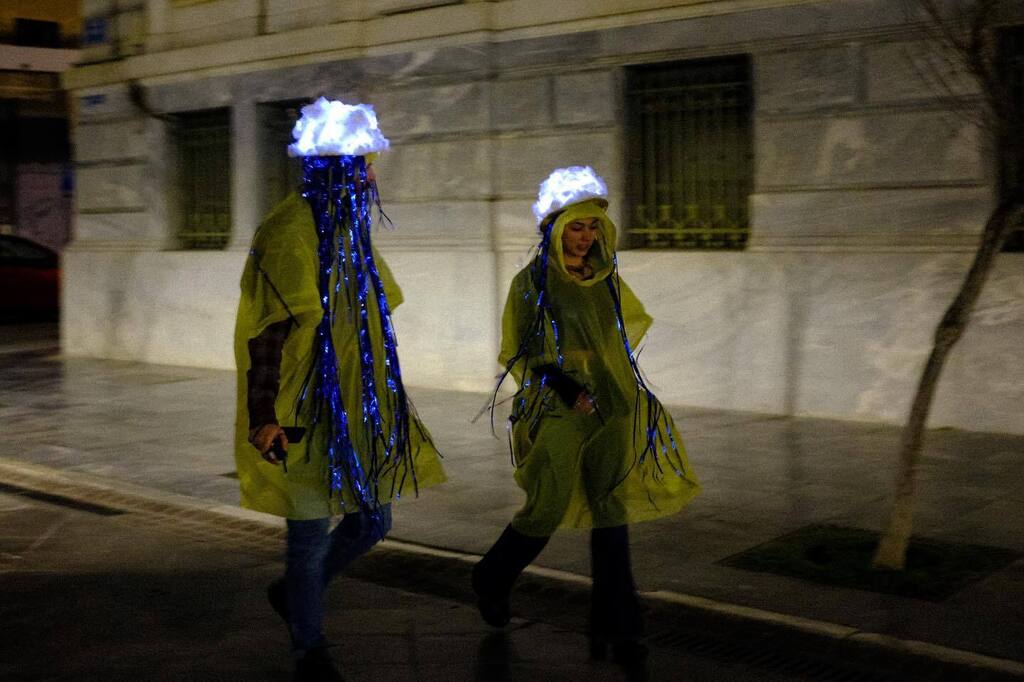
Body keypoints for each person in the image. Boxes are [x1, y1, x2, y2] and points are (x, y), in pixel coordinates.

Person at [234, 98, 446, 681]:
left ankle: (295, 595)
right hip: (298, 409)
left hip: (355, 408)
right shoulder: (289, 233)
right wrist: (262, 415)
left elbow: (372, 314)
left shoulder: (349, 229)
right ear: (331, 167)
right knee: (306, 536)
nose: (372, 175)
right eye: (362, 164)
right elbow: (268, 333)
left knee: (372, 522)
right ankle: (310, 647)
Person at [472, 166, 700, 666]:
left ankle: (619, 623)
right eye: (577, 226)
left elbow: (621, 335)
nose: (586, 237)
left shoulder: (604, 279)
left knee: (611, 508)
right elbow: (519, 350)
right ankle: (492, 576)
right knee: (547, 505)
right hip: (556, 406)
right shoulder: (531, 283)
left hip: (611, 405)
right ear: (555, 227)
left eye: (594, 226)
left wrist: (615, 384)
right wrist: (568, 386)